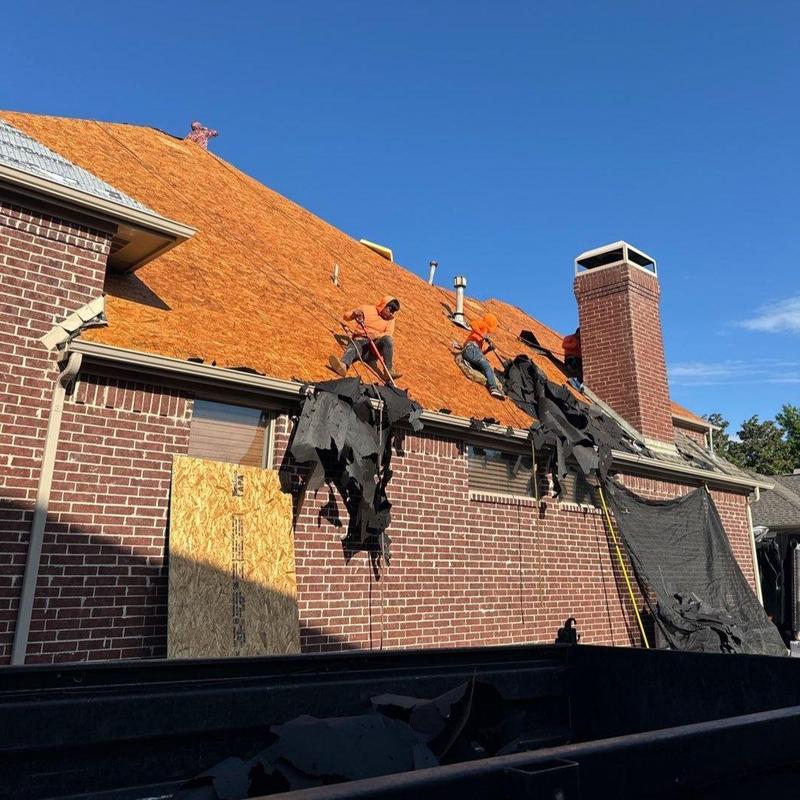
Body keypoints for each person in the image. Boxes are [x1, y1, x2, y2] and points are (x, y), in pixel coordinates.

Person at [328, 296, 401, 379]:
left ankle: (389, 371)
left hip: (373, 351)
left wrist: (375, 335)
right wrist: (353, 314)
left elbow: (389, 333)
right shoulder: (366, 309)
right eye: (390, 310)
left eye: (393, 312)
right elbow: (345, 317)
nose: (391, 313)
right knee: (355, 345)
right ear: (384, 305)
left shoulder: (391, 319)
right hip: (360, 347)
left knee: (388, 339)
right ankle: (343, 366)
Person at [462, 313, 504, 399]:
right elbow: (473, 324)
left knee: (485, 365)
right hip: (470, 349)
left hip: (472, 352)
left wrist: (488, 350)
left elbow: (478, 355)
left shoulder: (481, 341)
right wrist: (483, 335)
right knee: (486, 366)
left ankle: (494, 387)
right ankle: (493, 387)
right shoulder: (483, 324)